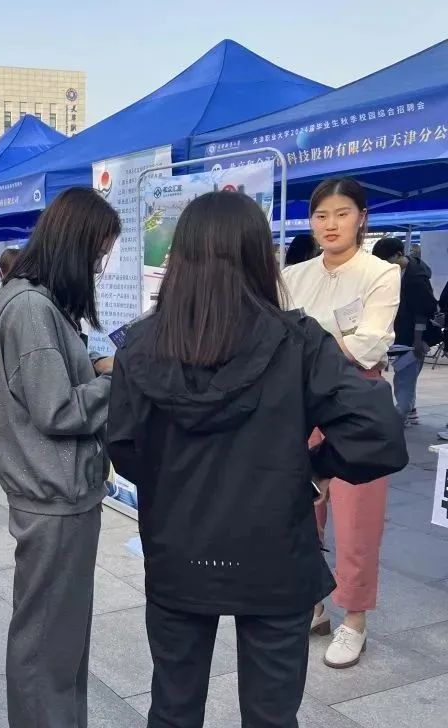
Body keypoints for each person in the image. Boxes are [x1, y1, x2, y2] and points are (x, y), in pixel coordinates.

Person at [108, 191, 408, 728]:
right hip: (275, 549)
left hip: (178, 546)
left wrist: (174, 480)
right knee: (271, 715)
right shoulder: (297, 340)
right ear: (257, 257)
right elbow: (377, 430)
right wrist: (315, 468)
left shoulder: (141, 345)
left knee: (173, 707)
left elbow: (125, 449)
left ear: (182, 256)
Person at [0, 187, 118, 728]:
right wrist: (120, 381)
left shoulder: (30, 300)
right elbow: (57, 409)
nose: (99, 267)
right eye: (98, 254)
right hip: (54, 492)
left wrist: (94, 367)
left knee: (60, 638)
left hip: (56, 490)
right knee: (47, 643)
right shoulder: (32, 308)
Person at [282, 177, 400, 669]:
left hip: (356, 403)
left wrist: (308, 343)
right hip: (299, 402)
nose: (331, 224)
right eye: (321, 215)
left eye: (342, 213)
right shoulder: (293, 275)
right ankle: (311, 603)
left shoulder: (380, 272)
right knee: (298, 508)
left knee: (357, 515)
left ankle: (354, 618)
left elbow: (370, 343)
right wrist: (322, 342)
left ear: (362, 218)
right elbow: (278, 333)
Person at [372, 236, 437, 422]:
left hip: (413, 337)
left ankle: (399, 417)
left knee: (404, 378)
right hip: (400, 333)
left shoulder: (416, 279)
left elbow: (423, 310)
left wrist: (418, 340)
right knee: (407, 376)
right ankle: (410, 412)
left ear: (399, 254)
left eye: (387, 261)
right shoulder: (398, 272)